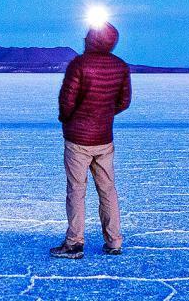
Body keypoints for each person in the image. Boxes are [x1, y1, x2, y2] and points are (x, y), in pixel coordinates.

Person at [51, 20, 131, 258]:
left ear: (94, 39)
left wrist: (68, 119)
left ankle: (74, 243)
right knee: (108, 189)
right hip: (104, 139)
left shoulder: (79, 65)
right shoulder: (120, 66)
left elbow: (67, 101)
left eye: (88, 35)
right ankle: (114, 241)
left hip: (78, 139)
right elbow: (123, 102)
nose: (84, 38)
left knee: (76, 190)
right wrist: (103, 115)